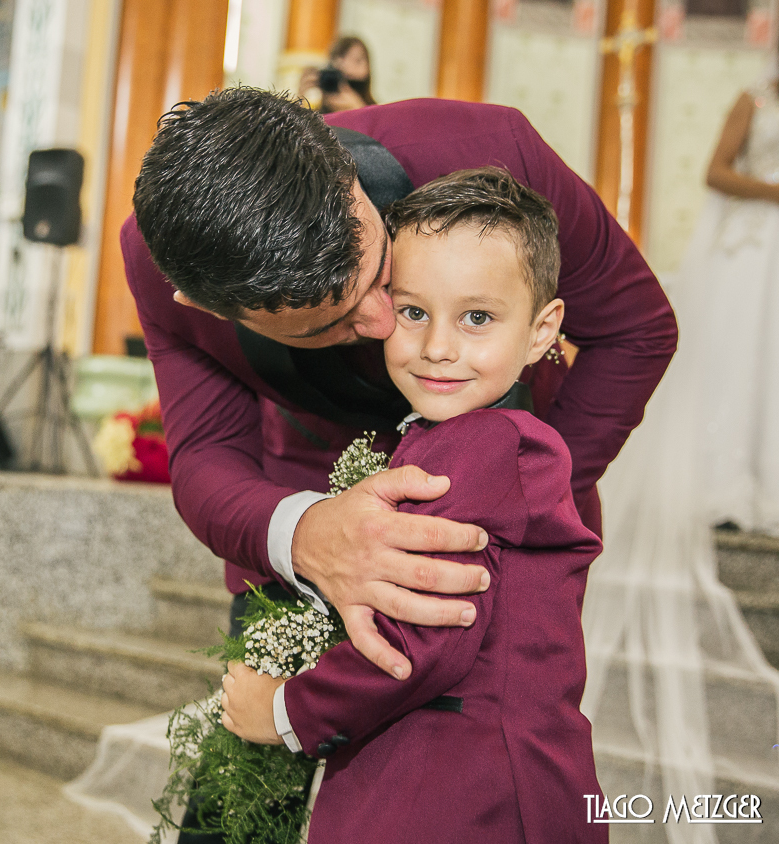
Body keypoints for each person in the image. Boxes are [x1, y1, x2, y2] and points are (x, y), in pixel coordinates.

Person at [126, 87, 674, 683]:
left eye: (378, 273)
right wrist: (309, 533)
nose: (385, 325)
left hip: (500, 525)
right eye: (331, 324)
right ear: (206, 307)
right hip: (310, 485)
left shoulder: (494, 152)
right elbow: (206, 455)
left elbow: (637, 331)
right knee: (251, 752)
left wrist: (524, 488)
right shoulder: (167, 268)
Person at [218, 168, 604, 843]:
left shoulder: (492, 448)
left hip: (462, 793)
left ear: (543, 331)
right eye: (414, 311)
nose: (437, 347)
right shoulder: (460, 440)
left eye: (477, 317)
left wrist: (282, 710)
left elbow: (417, 644)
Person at [677, 73, 779, 533]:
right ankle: (726, 486)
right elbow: (715, 171)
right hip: (756, 244)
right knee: (742, 359)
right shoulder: (755, 99)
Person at [298, 35, 378, 113]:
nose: (348, 66)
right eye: (342, 57)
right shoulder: (317, 116)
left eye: (357, 60)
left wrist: (358, 109)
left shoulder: (378, 112)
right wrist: (300, 99)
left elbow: (377, 125)